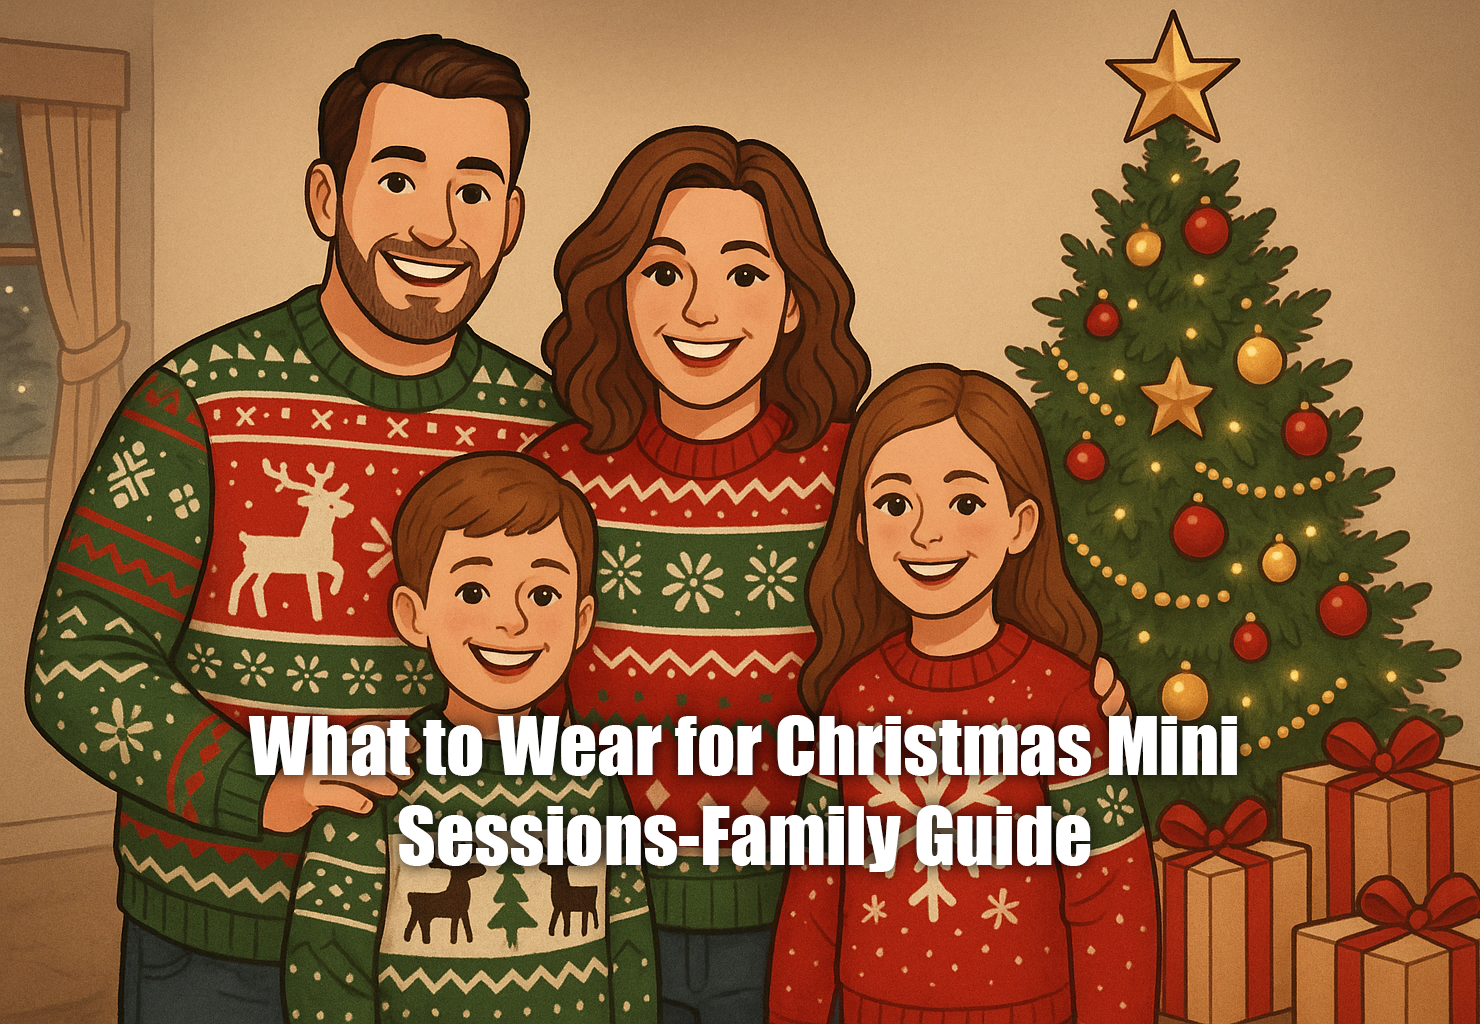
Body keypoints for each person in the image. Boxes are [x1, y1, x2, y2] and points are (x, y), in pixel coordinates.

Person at [532, 128, 1131, 1023]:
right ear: (615, 293)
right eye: (663, 273)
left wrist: (1076, 687)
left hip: (816, 928)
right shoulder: (558, 480)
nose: (701, 311)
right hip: (597, 927)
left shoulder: (866, 474)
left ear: (793, 305)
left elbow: (963, 622)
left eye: (743, 274)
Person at [26, 36, 563, 1023]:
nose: (436, 225)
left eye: (474, 190)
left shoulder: (548, 431)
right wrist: (254, 787)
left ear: (512, 219)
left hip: (462, 936)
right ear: (327, 196)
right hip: (216, 935)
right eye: (398, 178)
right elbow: (78, 660)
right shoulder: (195, 400)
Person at [768, 366, 1159, 1024]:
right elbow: (813, 897)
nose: (927, 534)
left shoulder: (1063, 698)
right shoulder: (851, 699)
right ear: (859, 525)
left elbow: (1112, 896)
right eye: (895, 504)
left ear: (1020, 523)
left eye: (966, 503)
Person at [282, 452, 658, 1023]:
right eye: (475, 593)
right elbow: (326, 964)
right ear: (415, 615)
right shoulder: (375, 773)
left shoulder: (594, 773)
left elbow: (629, 948)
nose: (512, 622)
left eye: (543, 595)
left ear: (581, 622)